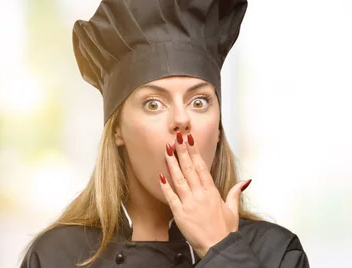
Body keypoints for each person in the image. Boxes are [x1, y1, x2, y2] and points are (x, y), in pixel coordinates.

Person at [20, 0, 309, 267]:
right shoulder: (56, 255)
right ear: (118, 128)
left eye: (199, 102)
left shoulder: (277, 252)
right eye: (154, 104)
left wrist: (220, 248)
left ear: (218, 128)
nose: (181, 119)